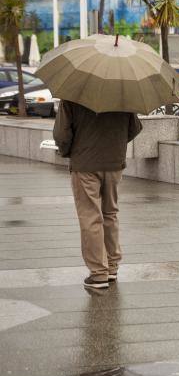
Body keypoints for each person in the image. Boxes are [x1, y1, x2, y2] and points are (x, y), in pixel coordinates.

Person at [54, 100, 142, 288]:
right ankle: (112, 266)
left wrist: (67, 152)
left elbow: (61, 134)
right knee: (110, 213)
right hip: (114, 162)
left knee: (90, 216)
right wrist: (114, 145)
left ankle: (99, 273)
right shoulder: (123, 93)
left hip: (84, 163)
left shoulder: (71, 96)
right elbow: (134, 128)